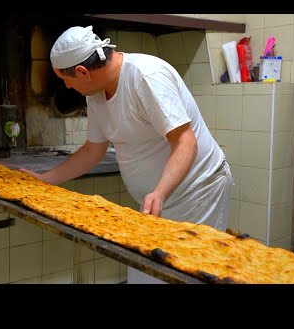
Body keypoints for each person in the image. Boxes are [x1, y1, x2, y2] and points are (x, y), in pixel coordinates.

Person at [20, 25, 234, 284]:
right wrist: (45, 180)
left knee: (185, 275)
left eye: (66, 79)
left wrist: (160, 192)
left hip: (197, 192)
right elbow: (92, 150)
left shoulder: (146, 77)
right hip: (157, 202)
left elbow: (186, 143)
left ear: (82, 71)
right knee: (144, 274)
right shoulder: (95, 94)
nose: (66, 86)